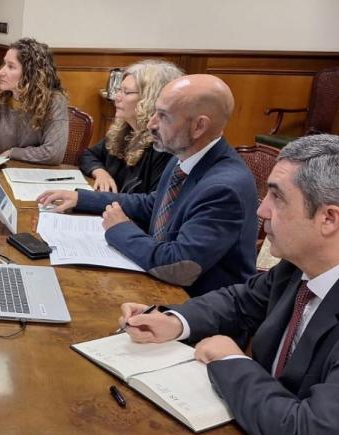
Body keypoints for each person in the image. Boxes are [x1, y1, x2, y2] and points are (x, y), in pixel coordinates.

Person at [118, 134, 339, 435]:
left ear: (329, 218)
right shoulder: (301, 266)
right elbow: (240, 301)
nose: (262, 210)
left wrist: (231, 360)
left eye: (277, 197)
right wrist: (175, 321)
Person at [37, 75, 258, 296]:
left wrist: (120, 229)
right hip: (159, 284)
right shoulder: (183, 157)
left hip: (197, 306)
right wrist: (83, 199)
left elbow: (178, 266)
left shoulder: (224, 188)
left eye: (163, 116)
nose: (151, 123)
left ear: (199, 126)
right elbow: (154, 204)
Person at [0, 37, 68, 167]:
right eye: (4, 64)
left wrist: (12, 153)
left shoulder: (54, 102)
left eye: (11, 67)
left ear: (31, 73)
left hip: (34, 176)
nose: (0, 72)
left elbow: (54, 153)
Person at [79, 60, 182, 193]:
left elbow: (149, 203)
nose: (116, 97)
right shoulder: (124, 129)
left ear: (150, 98)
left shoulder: (163, 144)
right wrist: (100, 172)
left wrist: (84, 199)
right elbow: (88, 154)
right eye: (119, 90)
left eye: (126, 92)